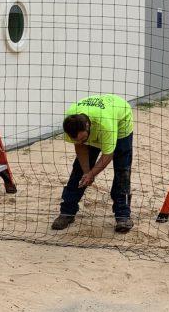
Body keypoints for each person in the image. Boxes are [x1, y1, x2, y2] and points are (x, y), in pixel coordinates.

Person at [52, 94, 134, 233]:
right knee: (78, 171)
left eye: (83, 137)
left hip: (120, 120)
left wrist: (92, 173)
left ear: (88, 126)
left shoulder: (106, 125)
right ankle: (67, 212)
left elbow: (108, 154)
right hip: (98, 122)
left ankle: (123, 215)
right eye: (77, 139)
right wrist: (86, 172)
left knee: (122, 170)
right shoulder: (70, 125)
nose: (81, 141)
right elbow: (80, 145)